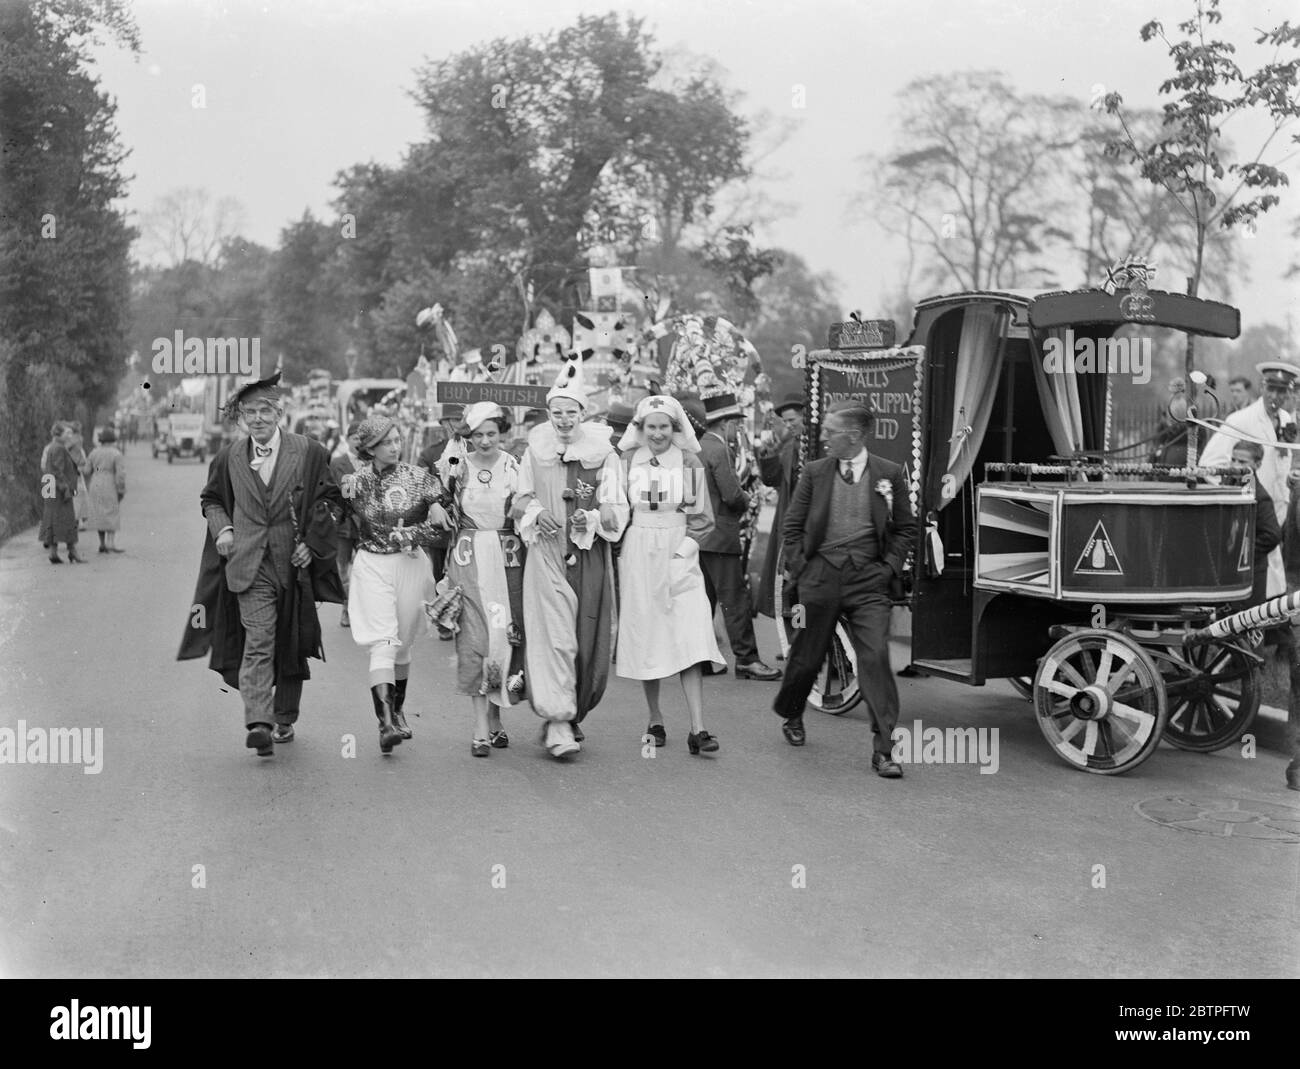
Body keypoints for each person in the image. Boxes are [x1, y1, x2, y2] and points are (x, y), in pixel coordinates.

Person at [177, 373, 345, 756]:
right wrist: (223, 530)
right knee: (259, 639)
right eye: (249, 412)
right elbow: (212, 500)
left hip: (294, 563)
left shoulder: (310, 452)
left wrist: (313, 546)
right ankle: (258, 721)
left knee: (291, 640)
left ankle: (284, 715)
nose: (257, 418)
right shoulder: (228, 457)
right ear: (241, 419)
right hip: (248, 563)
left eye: (264, 410)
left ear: (280, 413)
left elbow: (331, 502)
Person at [772, 402, 918, 778]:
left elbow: (906, 527)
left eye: (830, 431)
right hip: (820, 577)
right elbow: (793, 526)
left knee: (874, 658)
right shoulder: (816, 473)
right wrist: (803, 570)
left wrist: (888, 567)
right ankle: (792, 712)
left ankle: (884, 749)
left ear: (852, 436)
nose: (822, 436)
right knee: (807, 655)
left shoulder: (889, 474)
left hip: (868, 581)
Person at [513, 355, 627, 758]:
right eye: (557, 413)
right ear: (549, 415)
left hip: (587, 557)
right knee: (554, 638)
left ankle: (569, 711)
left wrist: (592, 517)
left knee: (584, 639)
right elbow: (520, 497)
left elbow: (617, 507)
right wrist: (537, 513)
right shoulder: (535, 452)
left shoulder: (605, 455)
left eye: (571, 412)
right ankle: (558, 721)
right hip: (545, 555)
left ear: (583, 413)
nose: (563, 420)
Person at [614, 395, 725, 753]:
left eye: (664, 426)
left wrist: (683, 552)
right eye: (652, 427)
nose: (658, 433)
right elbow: (615, 509)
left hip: (678, 547)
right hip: (639, 550)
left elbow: (702, 518)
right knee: (648, 633)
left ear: (675, 428)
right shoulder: (627, 460)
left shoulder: (689, 461)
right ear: (641, 429)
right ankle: (655, 718)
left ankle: (698, 728)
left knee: (690, 635)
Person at [342, 416, 451, 753]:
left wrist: (425, 519)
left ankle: (399, 710)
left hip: (410, 565)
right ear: (370, 448)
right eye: (387, 442)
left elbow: (442, 525)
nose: (395, 446)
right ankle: (385, 722)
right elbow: (331, 508)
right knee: (383, 642)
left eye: (397, 439)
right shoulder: (356, 481)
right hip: (372, 563)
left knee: (402, 645)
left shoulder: (420, 478)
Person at [441, 402, 527, 756]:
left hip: (507, 558)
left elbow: (526, 507)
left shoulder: (513, 466)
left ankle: (496, 719)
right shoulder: (456, 467)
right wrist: (436, 505)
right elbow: (438, 498)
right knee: (475, 640)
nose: (486, 441)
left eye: (491, 433)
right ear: (469, 437)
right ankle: (479, 730)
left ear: (501, 433)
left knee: (502, 640)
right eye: (478, 435)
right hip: (469, 555)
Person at [689, 393, 781, 680]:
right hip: (722, 535)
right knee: (735, 601)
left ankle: (699, 659)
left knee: (702, 601)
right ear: (725, 423)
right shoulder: (719, 450)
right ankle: (747, 659)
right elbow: (731, 494)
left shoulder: (695, 448)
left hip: (696, 535)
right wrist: (747, 501)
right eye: (735, 424)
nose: (738, 430)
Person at [1201, 361, 1299, 604]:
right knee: (1253, 584)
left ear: (1289, 392)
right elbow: (1208, 463)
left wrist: (1288, 478)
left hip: (1277, 511)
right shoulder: (1242, 419)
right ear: (1262, 388)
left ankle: (1274, 633)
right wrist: (1236, 488)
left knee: (1272, 582)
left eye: (1282, 391)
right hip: (1251, 514)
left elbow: (1277, 462)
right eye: (1271, 389)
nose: (1275, 396)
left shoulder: (1286, 419)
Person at [756, 394, 805, 635]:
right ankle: (794, 639)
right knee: (787, 587)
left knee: (798, 588)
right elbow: (772, 478)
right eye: (785, 422)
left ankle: (801, 638)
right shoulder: (788, 447)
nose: (788, 425)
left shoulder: (817, 448)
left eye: (792, 420)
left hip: (806, 529)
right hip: (788, 526)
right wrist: (769, 454)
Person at [417, 404, 464, 585]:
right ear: (444, 423)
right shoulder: (430, 454)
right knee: (440, 580)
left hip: (471, 527)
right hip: (440, 530)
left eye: (462, 420)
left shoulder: (476, 450)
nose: (459, 425)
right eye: (455, 420)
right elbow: (420, 486)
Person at [331, 422, 363, 626]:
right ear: (347, 439)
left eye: (362, 439)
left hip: (366, 526)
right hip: (343, 526)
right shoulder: (337, 463)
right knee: (342, 570)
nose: (358, 443)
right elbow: (333, 493)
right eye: (355, 438)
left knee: (363, 570)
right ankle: (346, 607)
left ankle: (360, 609)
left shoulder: (371, 462)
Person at [40, 422, 84, 564]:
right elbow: (58, 471)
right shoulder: (59, 448)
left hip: (51, 489)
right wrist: (65, 487)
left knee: (53, 519)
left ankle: (53, 552)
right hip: (60, 490)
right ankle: (72, 551)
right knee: (68, 519)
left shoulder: (52, 447)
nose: (69, 435)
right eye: (66, 433)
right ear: (59, 435)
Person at [83, 426, 126, 553]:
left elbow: (86, 470)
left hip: (96, 481)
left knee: (99, 513)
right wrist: (121, 489)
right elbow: (120, 474)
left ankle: (102, 543)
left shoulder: (94, 452)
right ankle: (111, 542)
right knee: (111, 511)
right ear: (112, 439)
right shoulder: (116, 453)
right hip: (109, 482)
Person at [67, 421, 89, 532]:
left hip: (74, 469)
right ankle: (78, 520)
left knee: (77, 495)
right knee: (79, 495)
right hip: (76, 469)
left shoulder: (72, 440)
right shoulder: (78, 439)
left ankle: (77, 520)